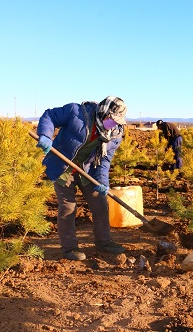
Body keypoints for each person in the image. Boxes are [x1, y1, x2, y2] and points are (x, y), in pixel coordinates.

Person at [35, 96, 128, 261]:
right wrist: (45, 135)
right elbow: (50, 116)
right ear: (103, 112)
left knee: (100, 203)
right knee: (68, 207)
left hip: (87, 170)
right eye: (111, 119)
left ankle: (104, 242)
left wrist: (103, 183)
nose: (113, 124)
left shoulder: (114, 136)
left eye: (117, 121)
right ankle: (69, 248)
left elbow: (104, 161)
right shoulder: (76, 112)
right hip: (62, 166)